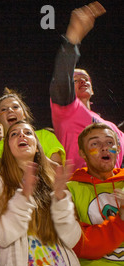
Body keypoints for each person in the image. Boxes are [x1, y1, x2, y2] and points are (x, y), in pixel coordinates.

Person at [0, 120, 85, 266]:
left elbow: (72, 239)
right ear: (7, 149)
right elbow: (2, 236)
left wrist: (61, 199)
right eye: (14, 134)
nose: (22, 135)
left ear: (37, 146)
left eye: (28, 133)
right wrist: (24, 195)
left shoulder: (54, 182)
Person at [49, 1, 124, 170]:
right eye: (75, 80)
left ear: (93, 89)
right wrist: (73, 38)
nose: (82, 81)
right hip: (79, 189)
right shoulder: (67, 110)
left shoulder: (115, 129)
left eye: (86, 78)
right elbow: (61, 76)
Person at [67, 123, 124, 266]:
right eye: (95, 144)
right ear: (82, 153)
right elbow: (82, 245)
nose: (104, 147)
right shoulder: (70, 190)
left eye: (110, 142)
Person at [0, 88, 66, 172]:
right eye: (3, 109)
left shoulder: (45, 135)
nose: (10, 110)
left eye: (15, 107)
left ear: (24, 114)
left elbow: (58, 170)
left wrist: (35, 155)